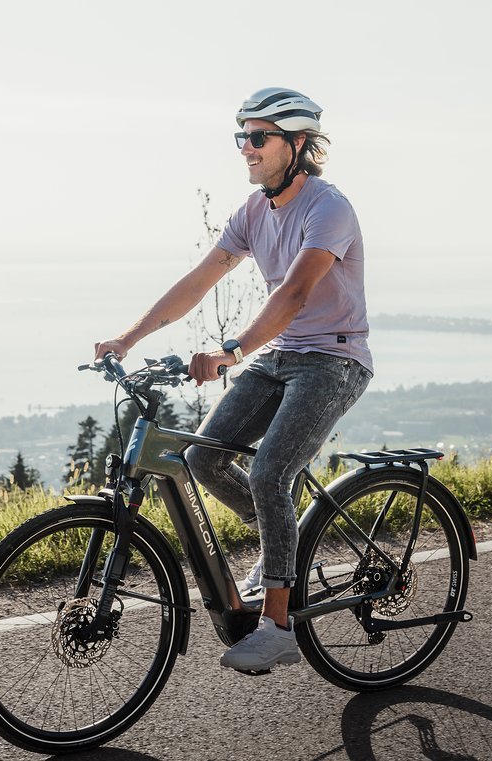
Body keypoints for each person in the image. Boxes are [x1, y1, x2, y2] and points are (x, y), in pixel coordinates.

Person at [94, 87, 373, 673]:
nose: (246, 148)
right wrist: (129, 337)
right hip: (281, 357)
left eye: (258, 136)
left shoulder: (329, 208)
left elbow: (295, 294)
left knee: (271, 469)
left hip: (335, 360)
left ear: (297, 145)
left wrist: (231, 351)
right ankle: (284, 543)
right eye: (241, 136)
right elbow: (199, 280)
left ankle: (276, 627)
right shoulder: (252, 212)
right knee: (204, 458)